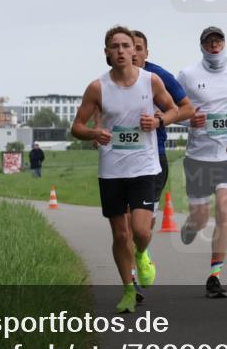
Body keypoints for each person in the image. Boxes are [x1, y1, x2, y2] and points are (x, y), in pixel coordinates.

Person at [72, 25, 179, 313]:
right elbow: (77, 127)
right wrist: (95, 134)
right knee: (120, 235)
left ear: (135, 51)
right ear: (106, 52)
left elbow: (175, 109)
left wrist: (159, 121)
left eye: (125, 46)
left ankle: (142, 254)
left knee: (141, 230)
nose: (120, 51)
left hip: (144, 166)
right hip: (112, 170)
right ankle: (129, 290)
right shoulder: (97, 87)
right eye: (114, 46)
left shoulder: (151, 81)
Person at [176, 26, 227, 299]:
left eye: (218, 40)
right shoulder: (188, 74)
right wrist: (187, 119)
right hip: (198, 157)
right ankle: (191, 225)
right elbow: (170, 108)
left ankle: (215, 276)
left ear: (225, 43)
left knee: (225, 209)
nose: (214, 45)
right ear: (202, 46)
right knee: (201, 217)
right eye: (209, 42)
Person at [131, 30, 195, 222]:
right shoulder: (110, 79)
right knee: (124, 221)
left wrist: (162, 119)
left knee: (144, 218)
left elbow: (188, 109)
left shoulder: (159, 76)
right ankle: (134, 250)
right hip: (121, 154)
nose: (133, 53)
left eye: (138, 48)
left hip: (153, 153)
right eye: (128, 47)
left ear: (146, 53)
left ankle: (141, 250)